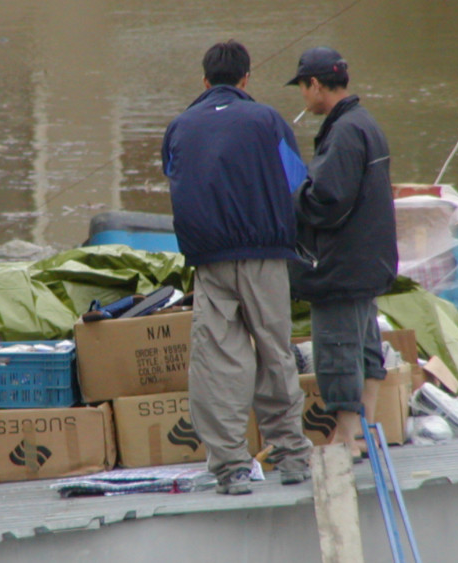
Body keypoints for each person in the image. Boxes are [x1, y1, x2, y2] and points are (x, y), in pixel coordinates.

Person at [162, 40, 313, 495]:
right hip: (266, 255)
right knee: (274, 351)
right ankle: (290, 457)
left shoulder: (180, 126)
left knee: (218, 361)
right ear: (246, 78)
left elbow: (175, 176)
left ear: (205, 81)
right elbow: (296, 182)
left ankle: (230, 468)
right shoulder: (268, 119)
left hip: (209, 260)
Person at [286, 47, 398, 461]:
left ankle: (345, 440)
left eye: (302, 86)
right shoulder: (365, 123)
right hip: (370, 260)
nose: (302, 96)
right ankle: (365, 431)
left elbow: (326, 200)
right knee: (366, 346)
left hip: (342, 265)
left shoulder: (345, 131)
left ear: (315, 85)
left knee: (336, 348)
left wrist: (291, 195)